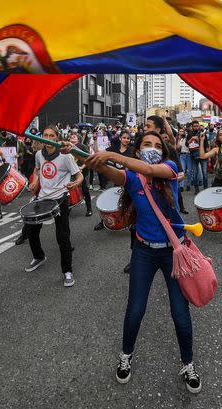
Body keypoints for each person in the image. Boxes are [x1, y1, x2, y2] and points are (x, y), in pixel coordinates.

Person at [84, 131, 202, 394]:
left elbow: (148, 168)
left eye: (157, 146)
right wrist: (85, 155)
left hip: (174, 252)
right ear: (137, 151)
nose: (152, 148)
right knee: (135, 309)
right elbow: (106, 169)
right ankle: (126, 355)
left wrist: (114, 154)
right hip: (144, 252)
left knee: (180, 313)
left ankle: (188, 363)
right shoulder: (131, 178)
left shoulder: (169, 168)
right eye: (147, 145)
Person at [23, 127, 82, 288]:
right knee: (30, 230)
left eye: (51, 136)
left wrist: (75, 183)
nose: (48, 138)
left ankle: (67, 271)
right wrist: (35, 180)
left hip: (60, 198)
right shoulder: (38, 154)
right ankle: (39, 256)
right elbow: (37, 169)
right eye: (45, 135)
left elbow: (79, 175)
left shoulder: (66, 156)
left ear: (57, 138)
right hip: (42, 197)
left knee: (63, 237)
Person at [93, 130, 135, 230]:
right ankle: (104, 221)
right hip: (117, 180)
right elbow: (97, 153)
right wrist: (95, 140)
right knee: (113, 200)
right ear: (120, 138)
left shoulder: (132, 150)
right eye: (124, 137)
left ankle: (133, 223)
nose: (126, 140)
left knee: (133, 202)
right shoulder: (113, 149)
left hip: (129, 180)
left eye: (128, 138)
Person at [68, 131, 93, 217]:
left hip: (83, 171)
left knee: (85, 189)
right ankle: (69, 207)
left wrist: (81, 167)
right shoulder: (67, 147)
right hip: (71, 172)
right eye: (71, 137)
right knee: (69, 189)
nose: (72, 138)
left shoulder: (82, 146)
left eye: (74, 137)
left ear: (78, 139)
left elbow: (88, 158)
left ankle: (89, 208)